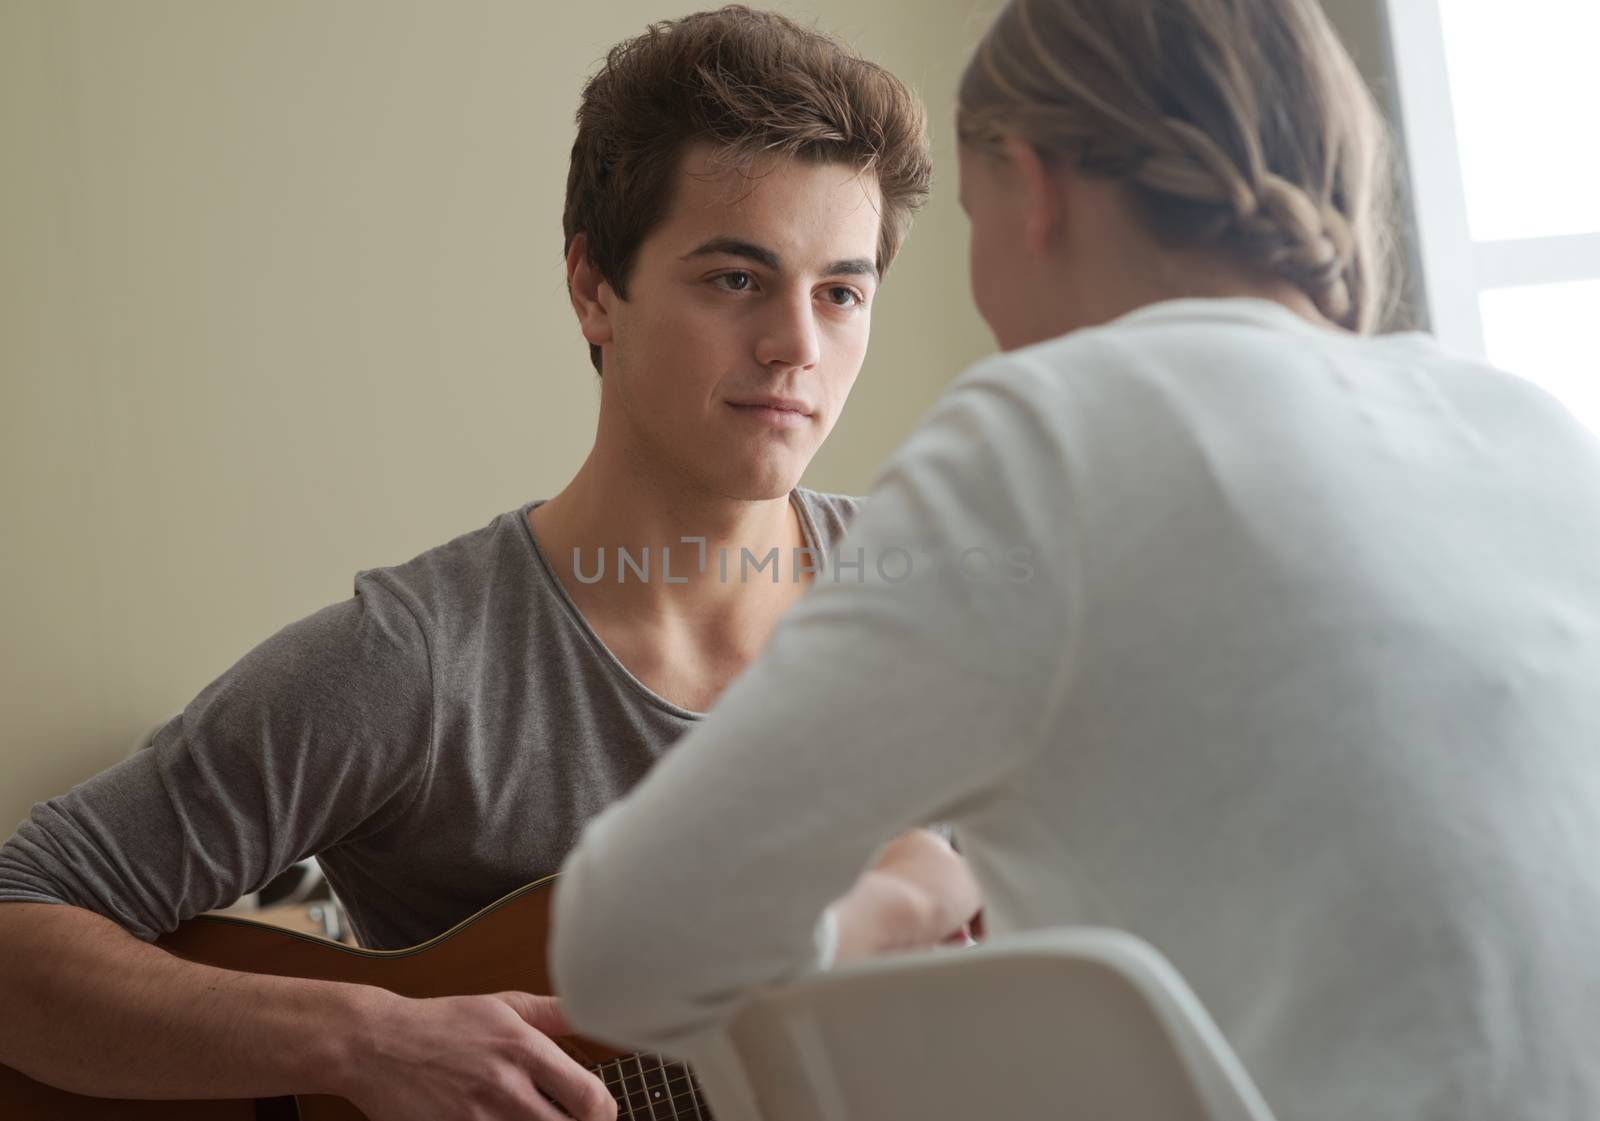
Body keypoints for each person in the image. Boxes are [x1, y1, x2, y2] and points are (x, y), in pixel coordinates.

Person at [550, 1, 1600, 1118]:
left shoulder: (1046, 430)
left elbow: (628, 947)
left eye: (962, 219)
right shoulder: (1532, 429)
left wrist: (893, 907)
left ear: (1034, 186)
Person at [0, 8, 934, 1120]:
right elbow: (21, 915)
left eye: (840, 291)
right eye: (736, 279)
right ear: (594, 286)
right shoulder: (416, 664)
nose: (796, 344)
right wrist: (361, 1039)